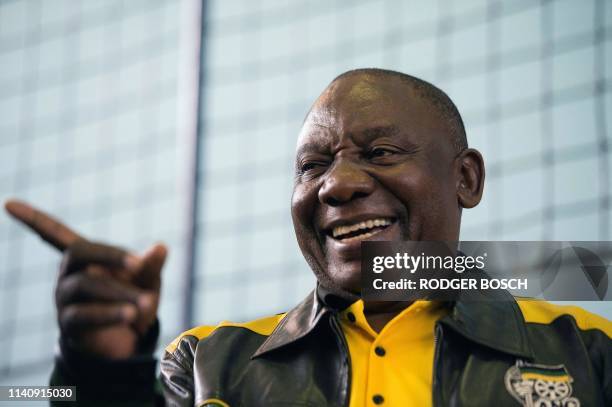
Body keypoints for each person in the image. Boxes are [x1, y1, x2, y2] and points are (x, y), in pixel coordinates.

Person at [5, 68, 611, 407]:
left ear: (467, 178)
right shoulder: (203, 364)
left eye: (379, 153)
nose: (336, 185)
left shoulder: (591, 355)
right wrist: (99, 375)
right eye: (312, 166)